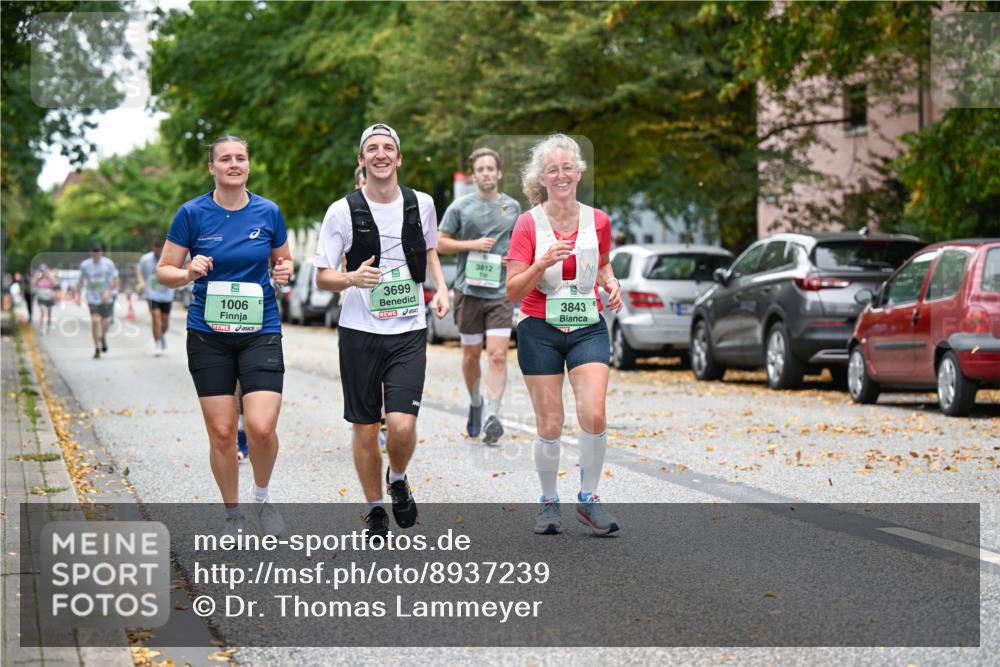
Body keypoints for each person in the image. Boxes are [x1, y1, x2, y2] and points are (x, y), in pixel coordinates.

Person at [314, 123, 449, 540]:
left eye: (388, 147)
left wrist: (440, 287)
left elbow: (428, 251)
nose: (380, 154)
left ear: (399, 157)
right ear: (362, 159)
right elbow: (322, 277)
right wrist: (351, 278)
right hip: (360, 331)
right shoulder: (341, 210)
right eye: (371, 148)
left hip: (408, 328)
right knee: (366, 427)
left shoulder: (421, 203)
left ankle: (399, 477)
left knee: (402, 424)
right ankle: (375, 509)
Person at [156, 135, 293, 538]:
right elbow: (164, 271)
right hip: (207, 333)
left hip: (260, 329)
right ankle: (233, 515)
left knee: (261, 427)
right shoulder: (192, 213)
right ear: (212, 167)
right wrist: (188, 272)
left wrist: (284, 273)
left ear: (248, 165)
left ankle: (262, 498)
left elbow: (283, 261)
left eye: (241, 158)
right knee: (220, 431)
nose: (234, 164)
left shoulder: (268, 212)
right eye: (225, 159)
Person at [506, 134, 624, 537]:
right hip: (539, 327)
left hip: (587, 325)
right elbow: (513, 290)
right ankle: (549, 500)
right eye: (552, 169)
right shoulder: (528, 224)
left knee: (593, 412)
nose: (561, 175)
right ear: (542, 178)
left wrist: (611, 283)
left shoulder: (600, 220)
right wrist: (541, 262)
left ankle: (589, 498)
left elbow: (603, 264)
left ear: (579, 172)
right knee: (551, 422)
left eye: (567, 167)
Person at [437, 147, 521, 444]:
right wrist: (471, 244)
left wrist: (517, 258)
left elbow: (522, 243)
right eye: (480, 169)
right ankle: (475, 402)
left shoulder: (513, 208)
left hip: (500, 291)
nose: (486, 173)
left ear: (498, 173)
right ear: (474, 176)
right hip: (468, 291)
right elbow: (439, 243)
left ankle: (493, 416)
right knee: (471, 355)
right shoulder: (461, 207)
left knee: (498, 355)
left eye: (490, 168)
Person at [76, 243, 119, 359]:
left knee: (105, 323)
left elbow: (116, 280)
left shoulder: (108, 264)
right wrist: (77, 295)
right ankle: (97, 348)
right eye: (94, 253)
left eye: (98, 252)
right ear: (91, 253)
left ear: (101, 252)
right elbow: (81, 281)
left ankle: (103, 337)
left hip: (106, 298)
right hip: (92, 297)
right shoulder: (85, 265)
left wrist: (108, 291)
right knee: (95, 321)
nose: (96, 255)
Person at [136, 238, 175, 356]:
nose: (157, 251)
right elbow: (139, 271)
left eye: (159, 249)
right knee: (156, 318)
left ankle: (161, 335)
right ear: (153, 248)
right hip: (151, 293)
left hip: (167, 294)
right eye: (155, 249)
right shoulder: (145, 259)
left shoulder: (170, 259)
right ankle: (157, 343)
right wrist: (141, 282)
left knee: (165, 324)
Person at [32, 264, 58, 333]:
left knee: (49, 312)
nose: (42, 272)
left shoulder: (49, 277)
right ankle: (42, 328)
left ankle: (48, 324)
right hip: (41, 297)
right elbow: (33, 283)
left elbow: (54, 283)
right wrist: (37, 277)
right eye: (41, 270)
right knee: (42, 312)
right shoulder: (38, 278)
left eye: (44, 270)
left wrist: (49, 276)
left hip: (49, 297)